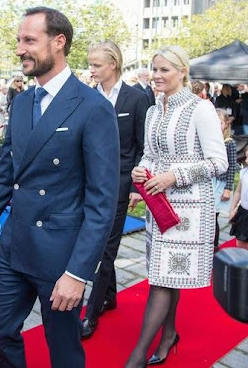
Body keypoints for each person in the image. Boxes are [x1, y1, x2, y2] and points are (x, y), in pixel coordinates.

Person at [0, 6, 120, 367]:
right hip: (14, 246)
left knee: (63, 350)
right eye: (19, 40)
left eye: (29, 40)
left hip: (60, 255)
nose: (20, 49)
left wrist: (78, 272)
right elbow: (5, 174)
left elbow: (102, 202)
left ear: (58, 42)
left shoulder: (92, 107)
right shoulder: (21, 102)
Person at [126, 45, 228, 367]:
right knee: (165, 275)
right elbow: (149, 154)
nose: (157, 76)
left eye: (164, 70)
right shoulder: (154, 110)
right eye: (154, 69)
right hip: (158, 205)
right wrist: (140, 170)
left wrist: (175, 175)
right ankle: (168, 334)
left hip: (189, 210)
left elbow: (219, 162)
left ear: (182, 71)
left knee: (160, 280)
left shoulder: (201, 108)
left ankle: (137, 356)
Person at [81, 40, 149, 340]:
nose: (91, 70)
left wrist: (137, 186)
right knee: (100, 243)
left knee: (104, 248)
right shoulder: (86, 97)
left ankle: (91, 313)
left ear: (114, 64)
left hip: (121, 185)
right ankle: (110, 297)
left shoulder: (136, 99)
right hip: (88, 184)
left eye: (96, 64)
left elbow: (143, 146)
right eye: (91, 64)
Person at [213, 109, 238, 252]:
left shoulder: (229, 143)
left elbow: (232, 167)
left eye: (219, 123)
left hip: (220, 183)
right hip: (209, 182)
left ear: (226, 124)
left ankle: (214, 247)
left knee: (213, 216)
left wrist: (228, 188)